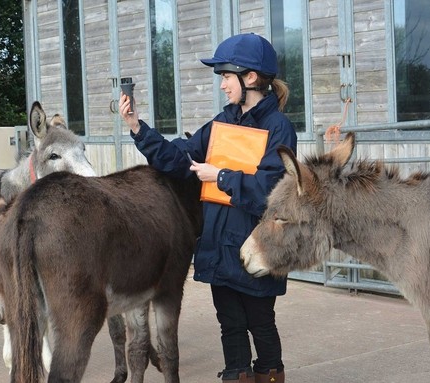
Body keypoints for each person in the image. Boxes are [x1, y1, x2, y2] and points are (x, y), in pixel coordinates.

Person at [119, 32, 297, 383]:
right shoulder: (222, 121)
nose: (222, 86)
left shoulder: (279, 128)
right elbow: (177, 158)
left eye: (226, 77)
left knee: (260, 323)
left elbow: (272, 190)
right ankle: (236, 375)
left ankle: (270, 374)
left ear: (250, 78)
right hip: (218, 243)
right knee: (230, 325)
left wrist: (221, 176)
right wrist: (138, 128)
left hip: (257, 246)